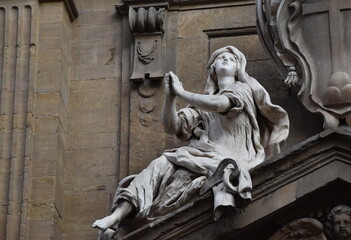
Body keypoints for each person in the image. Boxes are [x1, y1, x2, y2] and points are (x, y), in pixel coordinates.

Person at [92, 46, 289, 238]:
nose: (226, 59)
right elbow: (173, 126)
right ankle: (116, 217)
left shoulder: (243, 89)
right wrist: (169, 98)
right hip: (203, 154)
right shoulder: (202, 103)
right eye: (220, 58)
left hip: (232, 156)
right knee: (160, 163)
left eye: (232, 58)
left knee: (180, 180)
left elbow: (222, 105)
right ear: (213, 68)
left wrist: (182, 93)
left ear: (239, 67)